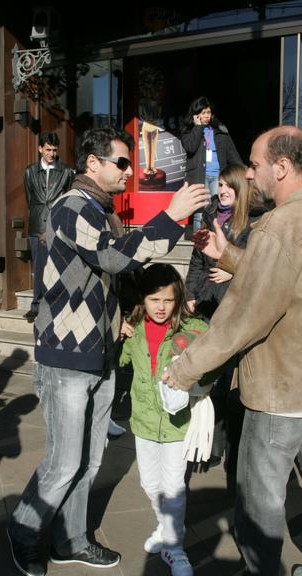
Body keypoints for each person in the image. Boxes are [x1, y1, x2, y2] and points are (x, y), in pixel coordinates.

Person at [7, 126, 210, 576]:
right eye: (121, 162)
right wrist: (172, 216)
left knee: (92, 457)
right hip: (65, 355)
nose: (129, 170)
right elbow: (113, 257)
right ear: (92, 163)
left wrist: (170, 295)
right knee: (63, 461)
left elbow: (118, 274)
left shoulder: (102, 213)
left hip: (99, 353)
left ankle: (71, 538)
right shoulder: (71, 207)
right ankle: (24, 529)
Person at [162, 125, 302, 576]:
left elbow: (244, 318)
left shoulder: (278, 225)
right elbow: (284, 284)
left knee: (260, 507)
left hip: (279, 394)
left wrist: (183, 370)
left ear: (281, 167)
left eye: (257, 165)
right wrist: (228, 255)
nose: (252, 174)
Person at [118, 263, 211, 576]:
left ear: (178, 299)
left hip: (176, 424)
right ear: (143, 299)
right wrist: (118, 335)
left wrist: (196, 344)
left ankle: (174, 548)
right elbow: (119, 360)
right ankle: (164, 527)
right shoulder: (135, 328)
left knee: (173, 486)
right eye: (154, 299)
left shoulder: (190, 328)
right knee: (149, 483)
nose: (160, 307)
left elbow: (212, 354)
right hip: (143, 420)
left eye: (168, 300)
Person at [185, 163, 274, 474]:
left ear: (242, 190)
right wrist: (190, 294)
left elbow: (261, 271)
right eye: (219, 185)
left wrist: (232, 266)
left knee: (230, 387)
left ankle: (228, 450)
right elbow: (197, 261)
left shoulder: (256, 222)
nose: (221, 191)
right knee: (208, 383)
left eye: (228, 186)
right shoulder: (209, 216)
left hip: (235, 313)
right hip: (208, 308)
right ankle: (207, 447)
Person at [23, 131, 74, 322]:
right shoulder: (29, 172)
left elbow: (68, 198)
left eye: (54, 150)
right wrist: (40, 218)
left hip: (57, 225)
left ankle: (59, 304)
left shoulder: (67, 172)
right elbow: (31, 200)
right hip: (37, 225)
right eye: (48, 150)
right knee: (39, 267)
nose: (51, 154)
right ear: (40, 149)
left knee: (59, 265)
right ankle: (36, 306)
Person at [180, 96, 241, 231]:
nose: (207, 116)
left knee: (217, 210)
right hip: (199, 177)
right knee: (199, 213)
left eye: (208, 112)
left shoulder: (220, 131)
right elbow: (190, 147)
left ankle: (215, 240)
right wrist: (198, 127)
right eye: (203, 113)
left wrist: (243, 171)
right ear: (196, 115)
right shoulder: (188, 130)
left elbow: (233, 155)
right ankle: (199, 247)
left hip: (218, 177)